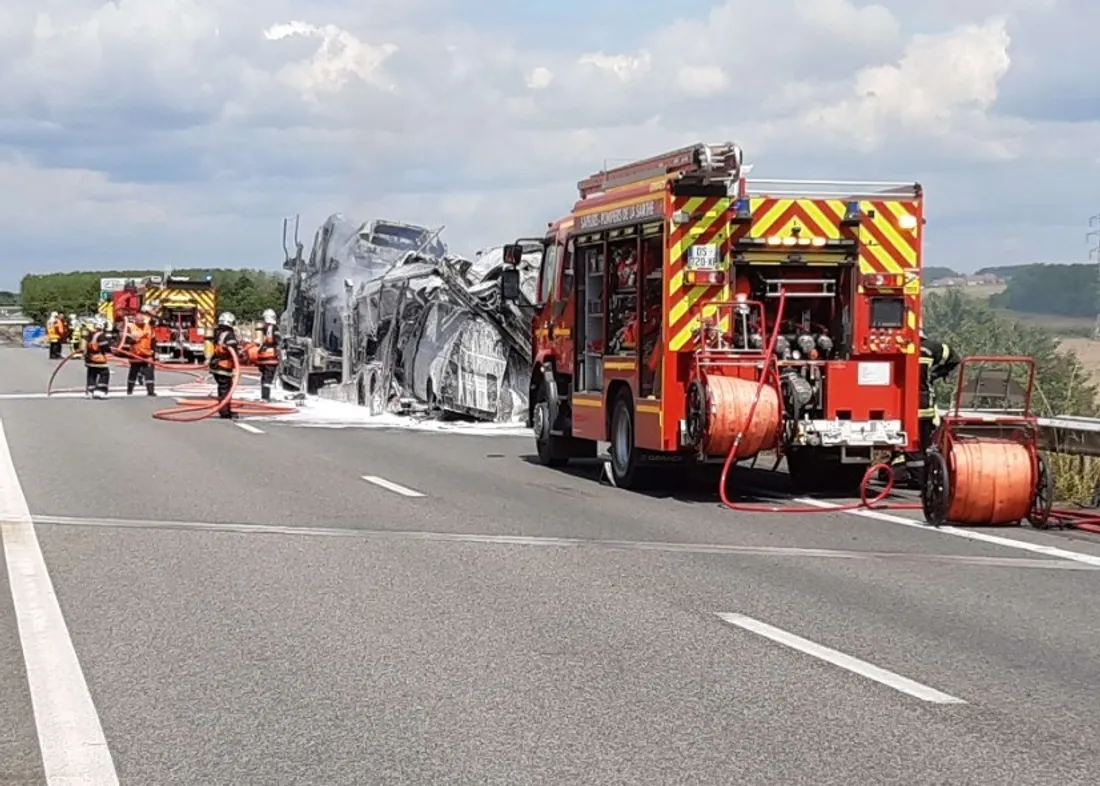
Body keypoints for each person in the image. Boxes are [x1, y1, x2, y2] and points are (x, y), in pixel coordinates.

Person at [210, 312, 239, 419]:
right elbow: (232, 349)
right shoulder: (229, 334)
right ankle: (225, 412)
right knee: (226, 390)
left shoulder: (217, 332)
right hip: (224, 366)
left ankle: (225, 409)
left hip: (216, 365)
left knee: (223, 388)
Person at [122, 306, 157, 395]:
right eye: (139, 321)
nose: (141, 322)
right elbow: (126, 340)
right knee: (133, 372)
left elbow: (153, 340)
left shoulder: (148, 327)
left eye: (142, 321)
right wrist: (133, 340)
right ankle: (129, 391)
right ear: (135, 320)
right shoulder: (131, 327)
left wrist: (154, 352)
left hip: (147, 354)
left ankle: (151, 391)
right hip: (135, 354)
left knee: (149, 373)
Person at [84, 316, 113, 398]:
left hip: (89, 358)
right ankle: (100, 390)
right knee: (104, 373)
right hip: (99, 359)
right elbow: (104, 347)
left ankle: (90, 391)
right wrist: (110, 350)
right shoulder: (101, 335)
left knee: (91, 375)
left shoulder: (90, 334)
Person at [255, 308, 280, 401]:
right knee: (268, 380)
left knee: (264, 378)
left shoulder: (264, 328)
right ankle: (266, 397)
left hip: (262, 358)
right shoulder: (273, 328)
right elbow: (275, 341)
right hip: (271, 358)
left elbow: (262, 341)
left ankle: (263, 396)